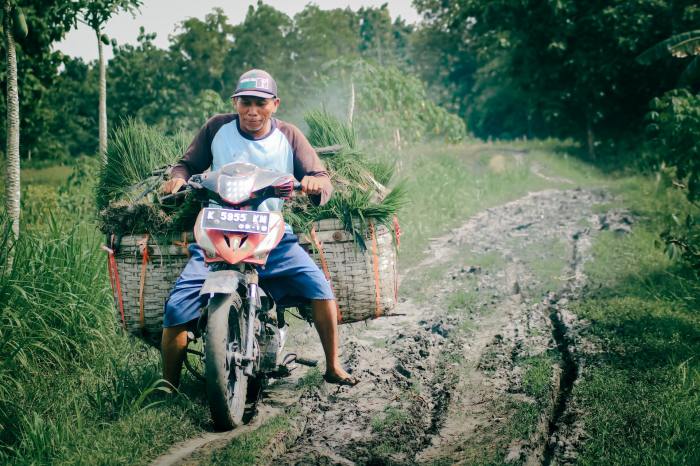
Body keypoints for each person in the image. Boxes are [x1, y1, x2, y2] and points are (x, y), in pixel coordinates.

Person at [160, 69, 357, 389]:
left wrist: (314, 182)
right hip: (217, 231)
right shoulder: (216, 128)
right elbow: (187, 165)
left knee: (319, 288)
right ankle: (167, 387)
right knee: (177, 306)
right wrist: (178, 178)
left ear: (275, 104)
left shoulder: (289, 136)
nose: (252, 111)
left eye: (261, 104)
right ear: (235, 103)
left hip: (270, 234)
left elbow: (321, 177)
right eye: (246, 103)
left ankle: (333, 365)